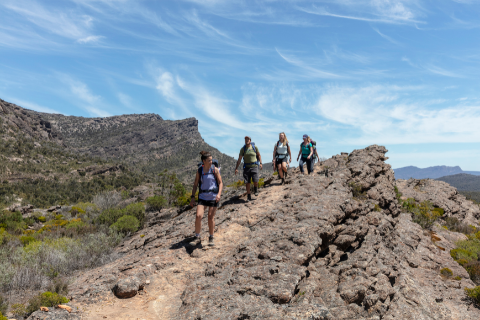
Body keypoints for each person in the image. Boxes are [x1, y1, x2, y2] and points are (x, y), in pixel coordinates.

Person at [189, 151, 223, 247]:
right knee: (198, 216)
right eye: (209, 160)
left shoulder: (215, 170)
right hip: (202, 197)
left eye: (211, 160)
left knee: (210, 217)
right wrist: (192, 197)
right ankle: (197, 237)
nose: (211, 162)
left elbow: (220, 183)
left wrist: (219, 194)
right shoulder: (200, 170)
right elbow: (195, 184)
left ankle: (211, 237)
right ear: (204, 161)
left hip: (213, 197)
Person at [235, 136, 263, 201]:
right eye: (245, 139)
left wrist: (261, 163)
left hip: (254, 166)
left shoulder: (254, 147)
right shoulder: (243, 149)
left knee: (255, 181)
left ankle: (255, 189)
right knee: (247, 182)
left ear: (250, 140)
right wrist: (236, 168)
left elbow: (259, 155)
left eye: (248, 139)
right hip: (246, 167)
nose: (247, 140)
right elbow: (239, 159)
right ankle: (249, 196)